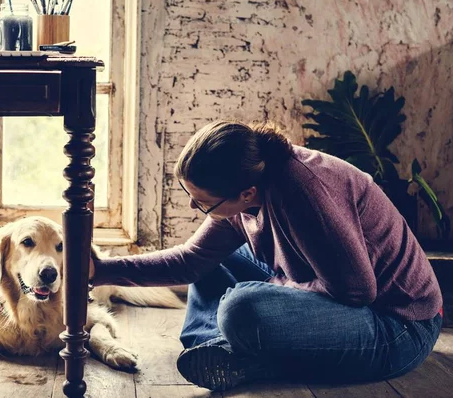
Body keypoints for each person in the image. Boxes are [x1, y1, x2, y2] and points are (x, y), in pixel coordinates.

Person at [89, 120, 443, 391]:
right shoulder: (248, 181)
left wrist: (277, 287)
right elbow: (191, 259)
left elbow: (357, 292)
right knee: (216, 265)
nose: (194, 206)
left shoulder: (304, 195)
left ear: (247, 193)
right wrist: (101, 270)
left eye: (202, 202)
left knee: (241, 308)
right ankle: (221, 348)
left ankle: (244, 350)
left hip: (397, 326)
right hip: (344, 299)